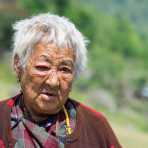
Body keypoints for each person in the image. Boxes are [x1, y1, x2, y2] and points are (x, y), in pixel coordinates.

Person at [0, 12, 122, 148]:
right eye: (43, 67)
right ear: (18, 65)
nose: (53, 82)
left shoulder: (95, 127)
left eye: (64, 70)